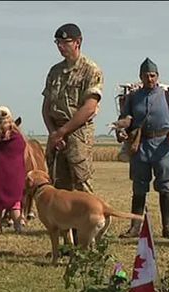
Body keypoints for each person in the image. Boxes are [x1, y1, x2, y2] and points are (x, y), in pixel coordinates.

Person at [112, 58, 169, 239]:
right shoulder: (132, 98)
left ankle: (167, 227)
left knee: (164, 186)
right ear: (140, 77)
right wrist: (121, 132)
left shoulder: (168, 96)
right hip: (140, 147)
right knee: (139, 188)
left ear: (158, 76)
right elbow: (125, 121)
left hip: (163, 147)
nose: (150, 79)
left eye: (152, 75)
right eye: (146, 76)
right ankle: (135, 227)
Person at [42, 23, 103, 194]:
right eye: (57, 42)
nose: (60, 46)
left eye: (65, 42)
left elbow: (89, 108)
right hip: (56, 133)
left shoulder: (90, 70)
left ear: (78, 42)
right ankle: (64, 221)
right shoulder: (55, 71)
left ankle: (90, 220)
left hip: (78, 133)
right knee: (58, 185)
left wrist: (61, 132)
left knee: (82, 183)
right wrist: (54, 133)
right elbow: (46, 107)